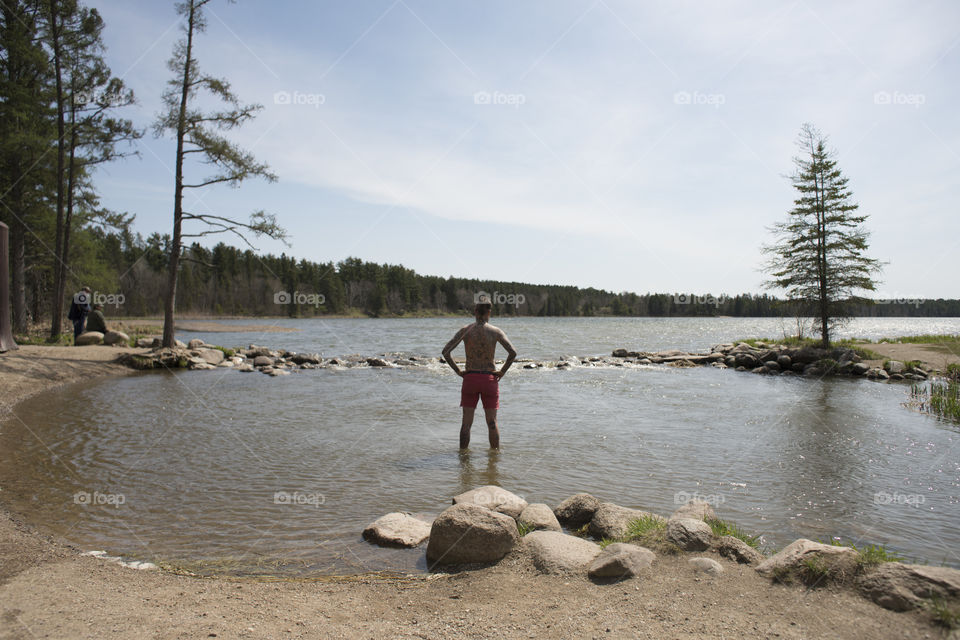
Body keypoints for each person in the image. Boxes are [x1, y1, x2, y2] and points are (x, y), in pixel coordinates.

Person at [442, 297, 517, 449]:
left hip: (470, 379)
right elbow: (513, 353)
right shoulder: (495, 331)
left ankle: (463, 460)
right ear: (489, 312)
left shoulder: (465, 331)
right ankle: (494, 461)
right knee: (492, 422)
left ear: (475, 311)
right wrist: (502, 372)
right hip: (489, 379)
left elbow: (446, 352)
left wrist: (458, 371)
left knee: (466, 423)